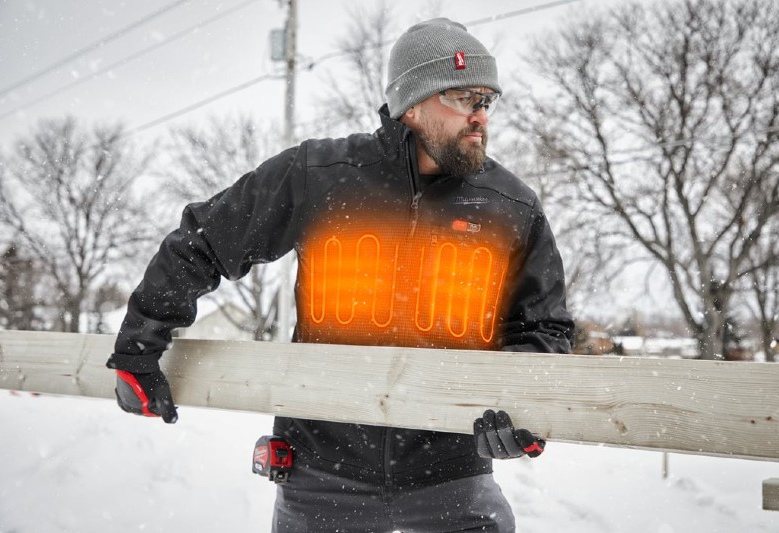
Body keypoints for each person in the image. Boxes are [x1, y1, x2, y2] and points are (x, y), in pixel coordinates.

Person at [107, 17, 574, 532]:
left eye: (487, 101)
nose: (481, 116)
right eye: (464, 98)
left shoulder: (511, 205)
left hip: (454, 485)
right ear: (412, 103)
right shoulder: (321, 177)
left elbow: (542, 331)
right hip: (321, 483)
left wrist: (527, 407)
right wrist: (139, 345)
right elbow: (203, 241)